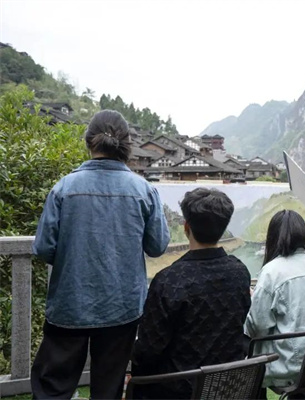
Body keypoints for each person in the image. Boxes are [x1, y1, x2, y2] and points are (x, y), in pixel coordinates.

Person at [31, 110, 170, 400]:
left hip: (70, 304)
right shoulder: (143, 190)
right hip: (122, 307)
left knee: (53, 388)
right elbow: (157, 246)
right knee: (108, 390)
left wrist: (73, 258)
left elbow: (43, 248)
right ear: (127, 145)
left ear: (88, 141)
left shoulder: (64, 188)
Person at [131, 187, 251, 399]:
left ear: (186, 227)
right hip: (225, 386)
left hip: (177, 390)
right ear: (224, 228)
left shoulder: (169, 280)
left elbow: (148, 350)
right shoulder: (240, 272)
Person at [245, 210, 305, 399]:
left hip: (290, 367)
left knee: (249, 349)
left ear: (273, 238)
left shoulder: (271, 272)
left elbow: (257, 326)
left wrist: (254, 299)